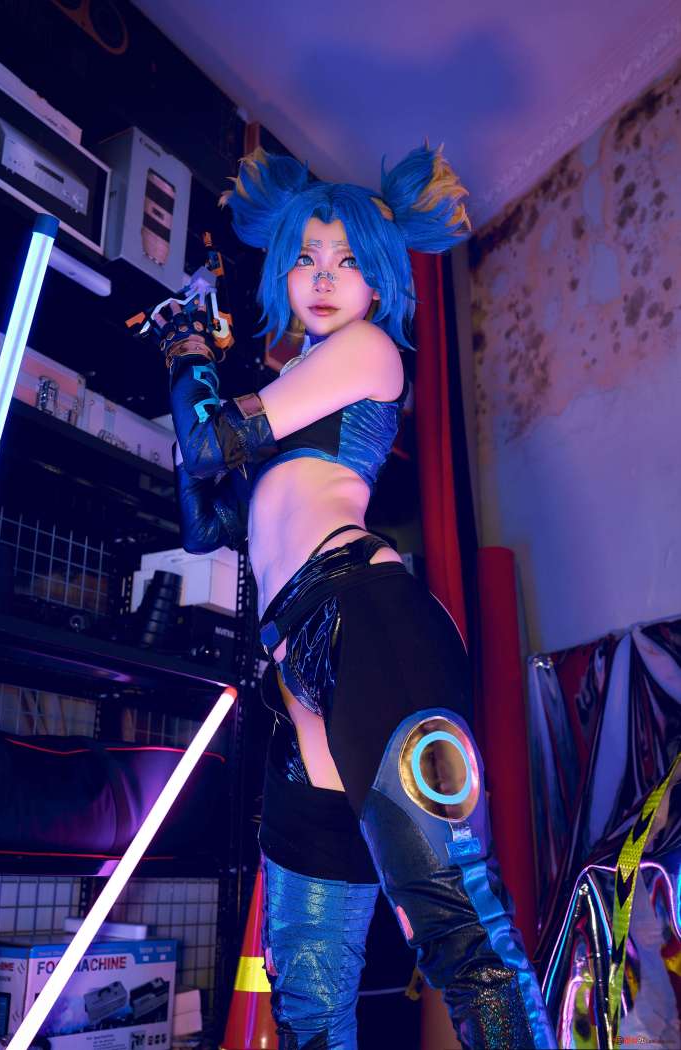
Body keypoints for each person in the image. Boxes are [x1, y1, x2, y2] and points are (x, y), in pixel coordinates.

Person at [161, 143, 557, 1050]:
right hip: (296, 670)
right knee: (306, 983)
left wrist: (188, 352)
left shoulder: (368, 351)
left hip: (366, 623)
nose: (323, 276)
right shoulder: (291, 396)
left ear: (378, 283)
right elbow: (207, 520)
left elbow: (213, 441)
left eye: (346, 261)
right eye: (306, 257)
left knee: (458, 928)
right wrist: (187, 369)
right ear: (283, 274)